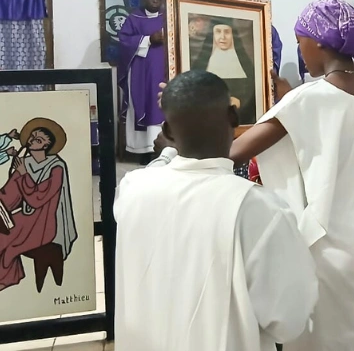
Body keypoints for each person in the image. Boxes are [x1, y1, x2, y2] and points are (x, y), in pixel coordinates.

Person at [229, 0, 354, 351]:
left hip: (331, 244)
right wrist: (289, 101)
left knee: (327, 338)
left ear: (319, 41)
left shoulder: (309, 98)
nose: (300, 50)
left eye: (299, 40)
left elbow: (236, 151)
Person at [114, 71, 317, 351]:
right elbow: (289, 321)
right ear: (234, 117)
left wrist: (167, 153)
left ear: (168, 132)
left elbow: (159, 170)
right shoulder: (259, 209)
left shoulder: (132, 190)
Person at [0, 118, 77, 293]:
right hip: (24, 217)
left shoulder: (57, 167)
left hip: (43, 222)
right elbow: (10, 192)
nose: (33, 140)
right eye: (33, 137)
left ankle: (7, 279)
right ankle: (9, 276)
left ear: (46, 146)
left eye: (39, 139)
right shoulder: (24, 163)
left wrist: (23, 175)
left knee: (7, 241)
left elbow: (38, 199)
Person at [117, 0, 166, 161]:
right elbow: (124, 42)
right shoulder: (134, 18)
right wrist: (148, 39)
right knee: (142, 105)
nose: (154, 1)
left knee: (160, 107)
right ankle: (143, 151)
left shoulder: (167, 18)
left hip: (162, 72)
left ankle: (160, 150)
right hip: (140, 72)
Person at [192, 17, 257, 124]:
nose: (222, 37)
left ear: (233, 35)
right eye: (218, 32)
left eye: (227, 32)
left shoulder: (245, 64)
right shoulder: (201, 65)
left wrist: (240, 101)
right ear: (212, 35)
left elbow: (253, 91)